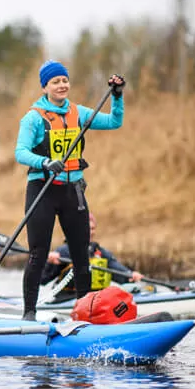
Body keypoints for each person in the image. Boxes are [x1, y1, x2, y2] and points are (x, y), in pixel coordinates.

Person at [15, 60, 124, 321]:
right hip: (43, 189)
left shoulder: (79, 112)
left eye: (64, 80)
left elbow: (114, 122)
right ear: (45, 87)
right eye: (55, 82)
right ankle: (29, 313)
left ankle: (84, 312)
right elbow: (20, 152)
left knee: (80, 254)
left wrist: (117, 97)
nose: (62, 85)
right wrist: (44, 162)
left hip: (72, 191)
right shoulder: (34, 118)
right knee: (38, 254)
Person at [41, 213, 142, 298]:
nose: (89, 232)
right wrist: (49, 263)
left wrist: (130, 275)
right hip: (68, 298)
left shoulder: (100, 253)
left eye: (92, 228)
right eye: (85, 228)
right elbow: (42, 279)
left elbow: (116, 269)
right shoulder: (64, 251)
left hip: (95, 299)